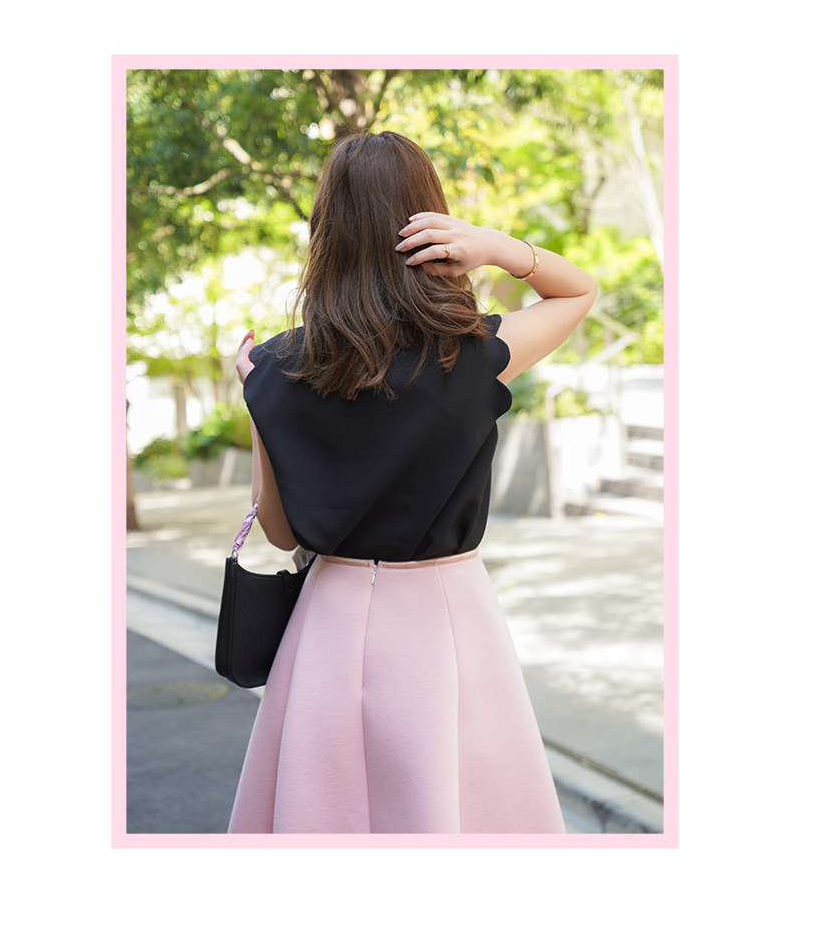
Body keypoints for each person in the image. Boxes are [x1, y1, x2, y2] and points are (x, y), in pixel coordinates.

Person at [227, 130, 597, 834]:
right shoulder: (474, 354)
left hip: (329, 615)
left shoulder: (276, 367)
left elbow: (278, 531)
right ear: (429, 221)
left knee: (323, 816)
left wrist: (256, 398)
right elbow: (579, 289)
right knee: (451, 810)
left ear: (326, 230)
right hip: (444, 612)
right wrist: (496, 247)